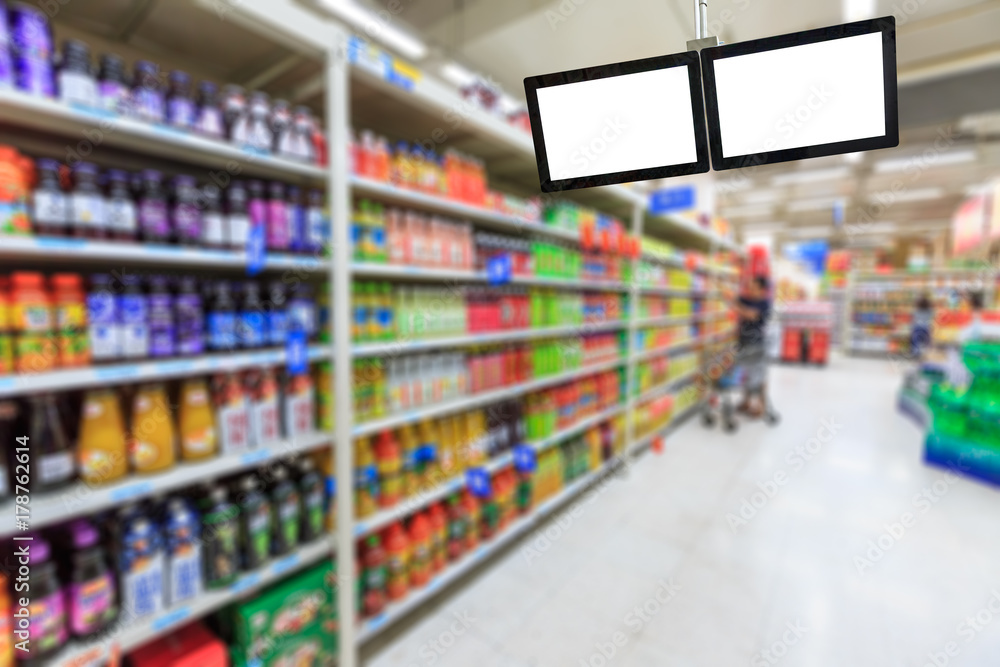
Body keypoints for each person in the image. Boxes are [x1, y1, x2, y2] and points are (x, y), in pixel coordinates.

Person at [726, 276, 772, 417]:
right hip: (743, 342)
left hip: (757, 344)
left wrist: (737, 308)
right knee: (745, 373)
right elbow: (733, 298)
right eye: (749, 287)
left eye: (753, 287)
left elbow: (751, 315)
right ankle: (746, 402)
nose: (750, 290)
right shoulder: (746, 299)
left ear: (761, 289)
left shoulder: (765, 303)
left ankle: (761, 406)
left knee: (759, 376)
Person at [911, 293, 934, 359]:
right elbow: (931, 320)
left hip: (918, 328)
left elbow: (914, 321)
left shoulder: (917, 311)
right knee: (927, 341)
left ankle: (916, 352)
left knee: (915, 340)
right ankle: (927, 352)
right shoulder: (930, 311)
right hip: (926, 329)